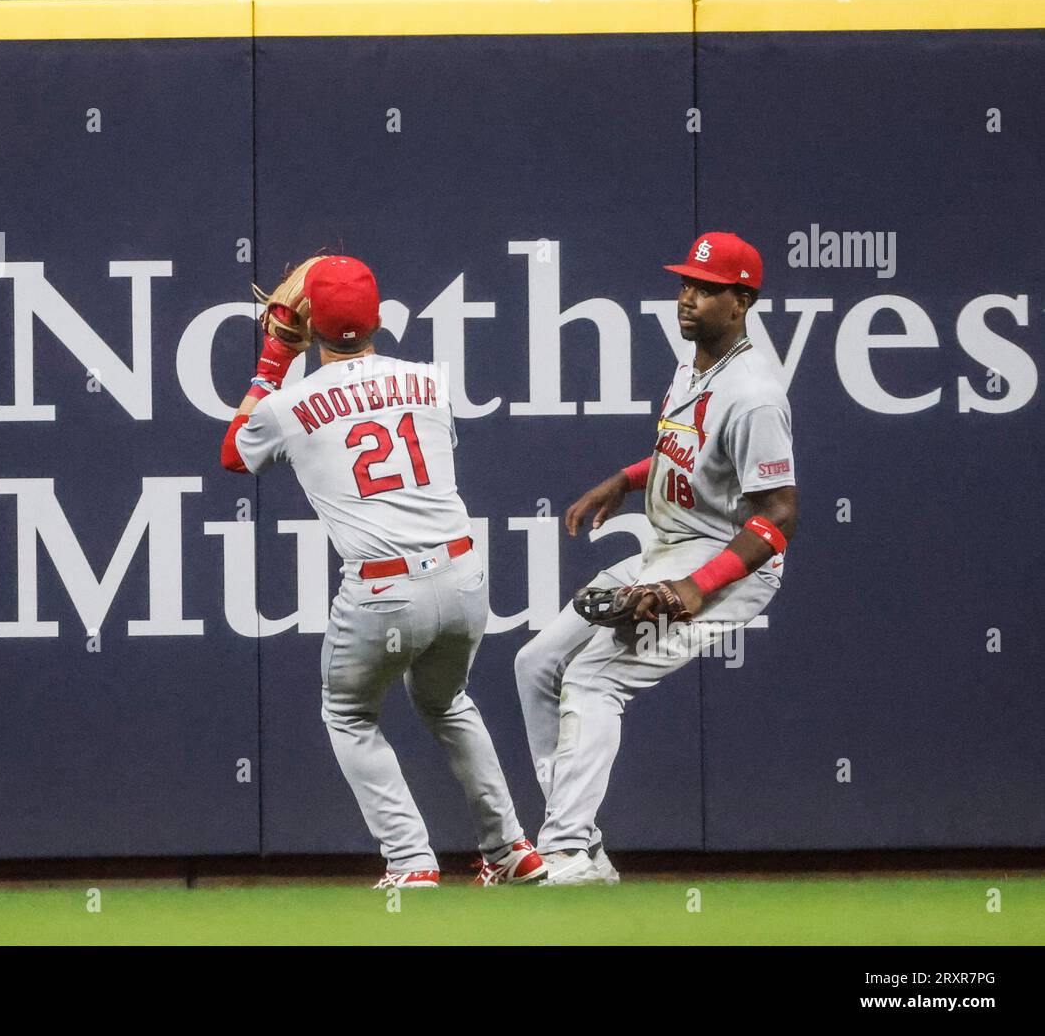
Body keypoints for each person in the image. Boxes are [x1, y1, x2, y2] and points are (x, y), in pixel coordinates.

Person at [221, 254, 545, 889]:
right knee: (447, 701)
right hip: (461, 576)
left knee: (348, 715)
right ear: (377, 319)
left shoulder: (293, 403)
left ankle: (411, 860)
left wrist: (276, 355)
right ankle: (509, 847)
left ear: (312, 323)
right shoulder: (430, 382)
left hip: (384, 588)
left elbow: (235, 453)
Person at [514, 232, 799, 885]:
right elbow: (692, 454)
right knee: (536, 663)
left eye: (707, 287)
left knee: (593, 679)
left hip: (727, 564)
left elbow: (778, 515)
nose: (689, 297)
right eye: (685, 284)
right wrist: (625, 478)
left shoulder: (754, 392)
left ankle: (563, 850)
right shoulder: (695, 365)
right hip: (669, 547)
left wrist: (698, 587)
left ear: (743, 299)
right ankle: (578, 839)